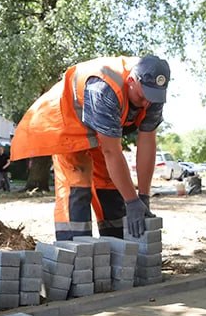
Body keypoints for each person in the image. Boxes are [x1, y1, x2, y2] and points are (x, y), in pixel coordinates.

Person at [10, 54, 170, 240]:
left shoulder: (153, 92)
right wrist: (132, 201)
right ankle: (75, 250)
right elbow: (111, 151)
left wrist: (142, 197)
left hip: (99, 131)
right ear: (132, 81)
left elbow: (147, 142)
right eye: (142, 97)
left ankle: (117, 248)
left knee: (110, 183)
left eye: (152, 99)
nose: (146, 104)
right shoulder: (104, 87)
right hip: (68, 124)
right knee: (78, 185)